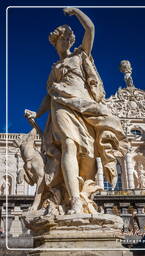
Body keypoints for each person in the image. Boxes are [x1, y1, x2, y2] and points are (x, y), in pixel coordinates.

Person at [25, 8, 127, 214]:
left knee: (88, 156)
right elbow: (49, 95)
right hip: (62, 106)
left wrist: (77, 11)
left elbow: (90, 28)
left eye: (66, 39)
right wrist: (38, 113)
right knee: (69, 145)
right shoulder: (56, 69)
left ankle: (82, 195)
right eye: (59, 40)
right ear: (55, 44)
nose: (62, 43)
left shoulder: (81, 56)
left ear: (71, 40)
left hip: (85, 107)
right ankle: (75, 201)